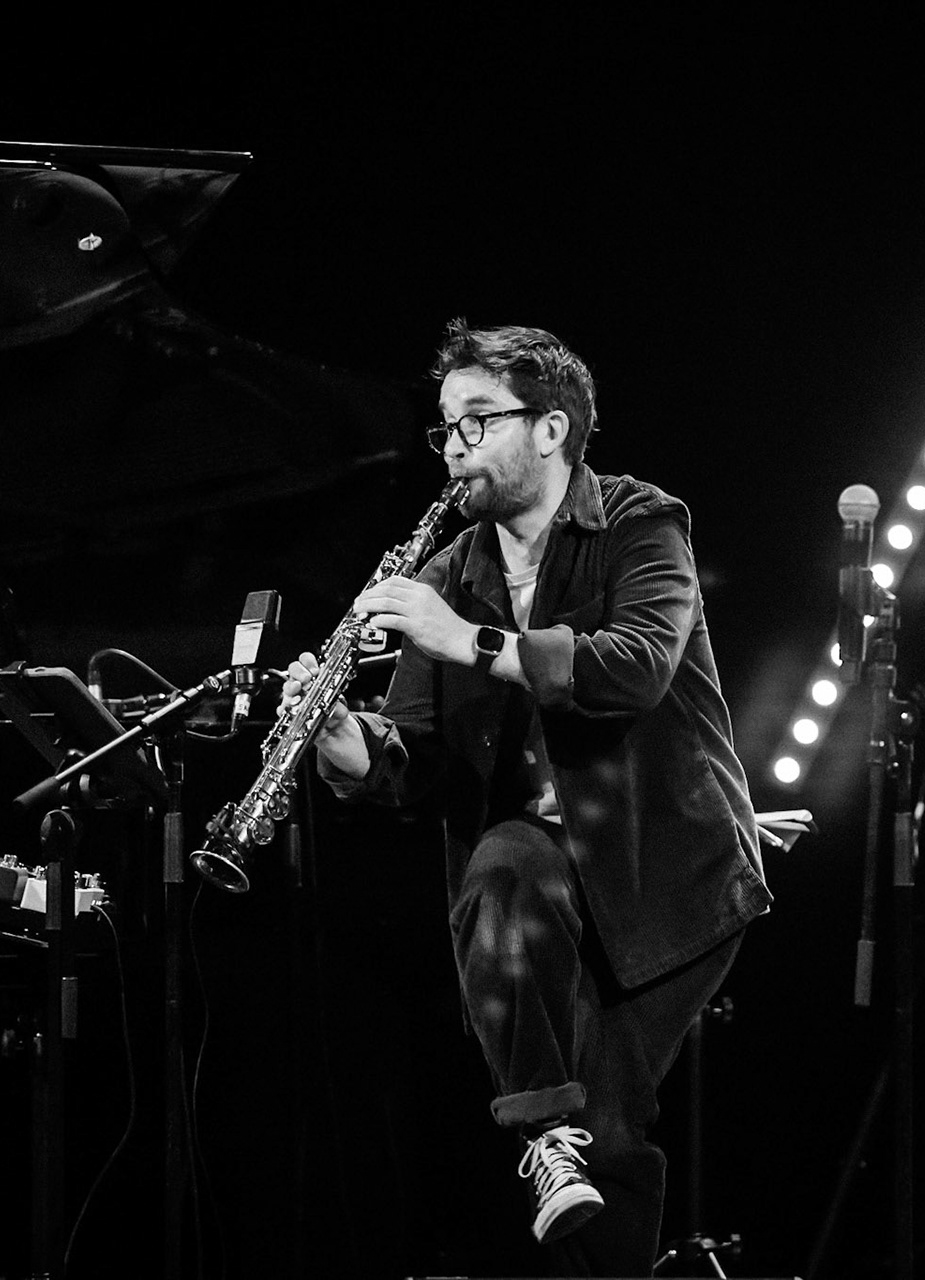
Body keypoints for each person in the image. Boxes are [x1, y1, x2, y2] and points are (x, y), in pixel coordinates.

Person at [283, 319, 771, 1275]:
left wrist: (468, 642)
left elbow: (633, 669)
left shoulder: (641, 522)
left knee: (614, 1128)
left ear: (551, 430)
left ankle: (567, 1151)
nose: (455, 445)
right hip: (534, 880)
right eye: (446, 427)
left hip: (667, 873)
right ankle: (544, 1133)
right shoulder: (448, 572)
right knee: (503, 868)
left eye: (478, 420)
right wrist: (343, 741)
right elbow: (413, 763)